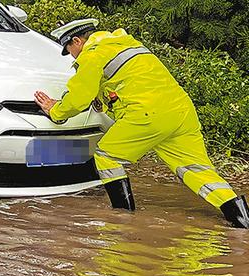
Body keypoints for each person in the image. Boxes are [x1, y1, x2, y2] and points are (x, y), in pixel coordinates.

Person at [34, 19, 249, 228]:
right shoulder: (128, 44)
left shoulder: (92, 54)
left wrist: (55, 110)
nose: (70, 55)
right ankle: (240, 218)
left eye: (68, 49)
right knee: (195, 169)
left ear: (76, 41)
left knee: (106, 156)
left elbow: (79, 97)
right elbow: (129, 81)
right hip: (181, 113)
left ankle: (122, 218)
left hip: (147, 115)